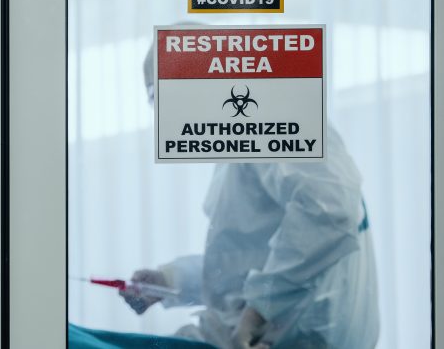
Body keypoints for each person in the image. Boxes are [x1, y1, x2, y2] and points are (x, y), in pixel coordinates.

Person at [120, 46, 380, 348]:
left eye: (156, 97)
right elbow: (251, 257)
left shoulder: (273, 117)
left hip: (293, 335)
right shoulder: (246, 131)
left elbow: (330, 211)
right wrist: (171, 280)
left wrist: (259, 309)